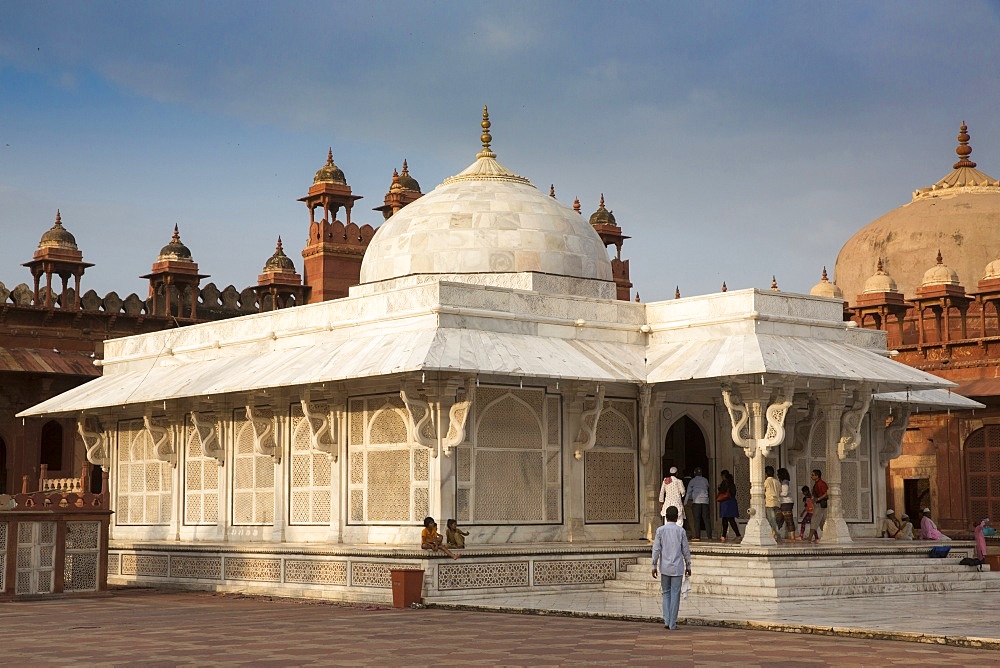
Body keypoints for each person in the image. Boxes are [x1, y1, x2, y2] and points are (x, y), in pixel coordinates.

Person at [651, 505, 691, 631]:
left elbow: (656, 549)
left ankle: (667, 620)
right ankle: (672, 623)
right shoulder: (681, 531)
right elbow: (685, 550)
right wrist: (688, 565)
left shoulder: (660, 531)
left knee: (666, 593)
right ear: (677, 517)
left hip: (665, 567)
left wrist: (654, 565)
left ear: (666, 517)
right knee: (675, 594)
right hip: (677, 567)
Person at [685, 467, 712, 541]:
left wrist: (685, 502)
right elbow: (707, 487)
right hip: (705, 501)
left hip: (696, 501)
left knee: (697, 519)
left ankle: (697, 536)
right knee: (706, 519)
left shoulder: (692, 481)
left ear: (694, 473)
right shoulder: (705, 480)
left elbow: (688, 492)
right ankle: (709, 536)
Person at [717, 469, 740, 542]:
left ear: (723, 476)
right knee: (729, 519)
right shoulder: (732, 483)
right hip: (731, 502)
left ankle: (735, 535)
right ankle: (725, 535)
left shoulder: (725, 482)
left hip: (726, 503)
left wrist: (719, 487)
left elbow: (722, 490)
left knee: (727, 519)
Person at [809, 469, 828, 541]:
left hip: (821, 504)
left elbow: (826, 493)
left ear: (817, 476)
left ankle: (810, 537)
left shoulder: (821, 484)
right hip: (818, 504)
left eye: (813, 475)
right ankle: (827, 536)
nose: (812, 476)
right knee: (822, 522)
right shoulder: (817, 483)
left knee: (814, 520)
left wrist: (818, 499)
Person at [777, 467, 796, 540]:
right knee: (779, 519)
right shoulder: (785, 482)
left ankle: (792, 537)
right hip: (784, 503)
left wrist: (777, 494)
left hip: (786, 503)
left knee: (788, 520)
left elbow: (785, 493)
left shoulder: (785, 482)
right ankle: (773, 535)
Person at [763, 465, 781, 541]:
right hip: (777, 503)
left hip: (769, 503)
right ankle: (773, 536)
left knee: (772, 520)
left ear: (766, 474)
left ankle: (778, 535)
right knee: (774, 520)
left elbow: (762, 490)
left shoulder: (766, 481)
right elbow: (779, 491)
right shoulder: (777, 481)